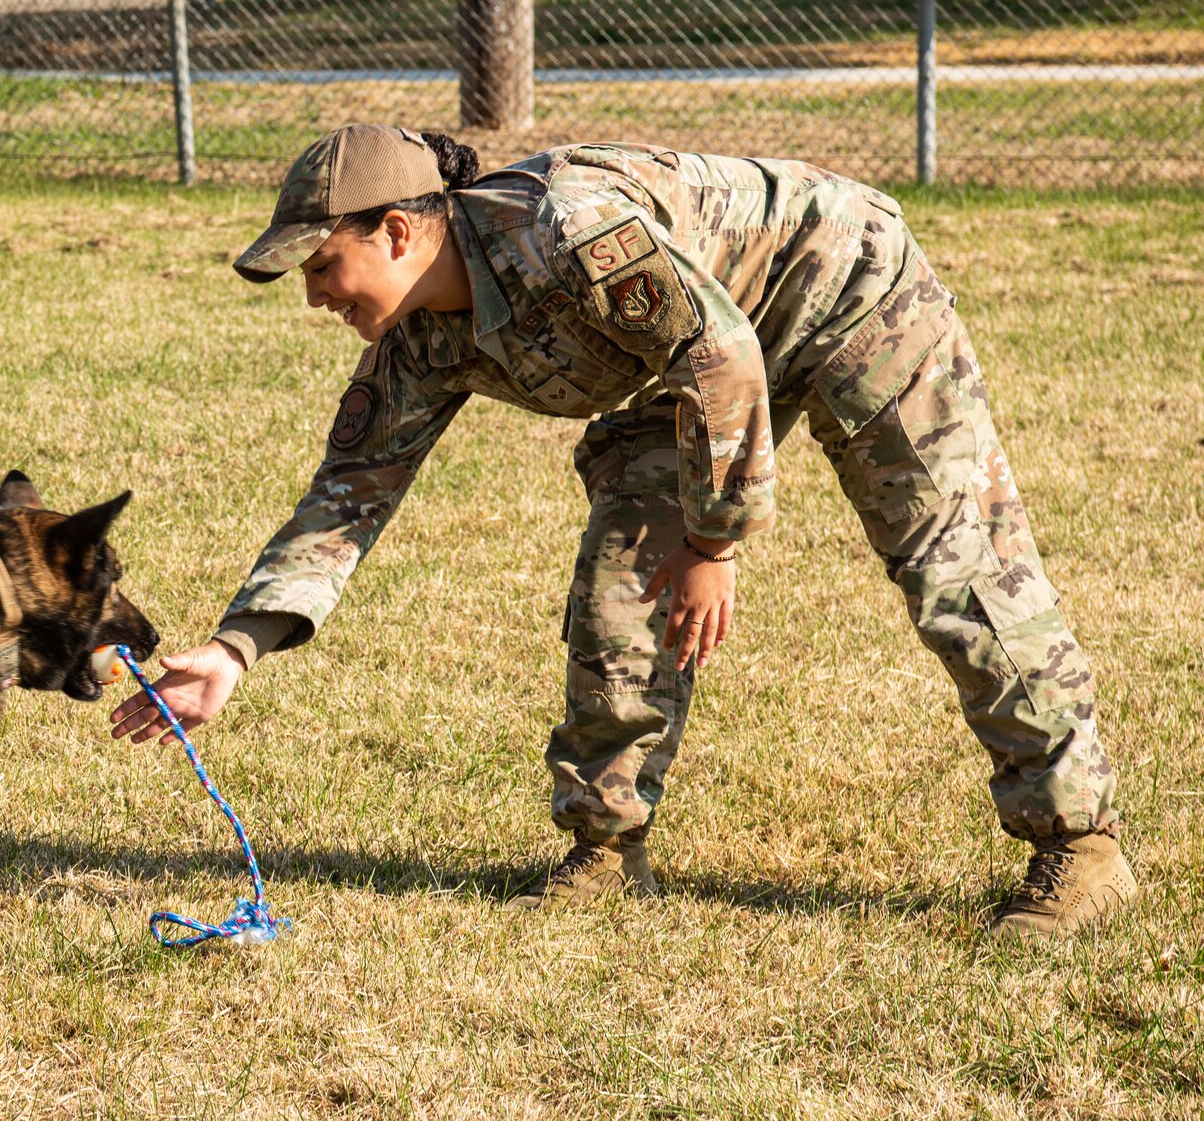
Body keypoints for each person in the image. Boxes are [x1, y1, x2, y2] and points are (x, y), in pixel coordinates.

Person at [108, 124, 1138, 937]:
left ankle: (1079, 843)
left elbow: (723, 355)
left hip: (840, 290)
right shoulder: (416, 341)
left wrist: (713, 541)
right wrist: (237, 647)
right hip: (684, 359)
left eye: (322, 266)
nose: (315, 296)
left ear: (396, 230)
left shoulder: (562, 232)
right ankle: (606, 847)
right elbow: (348, 490)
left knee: (949, 560)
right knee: (618, 589)